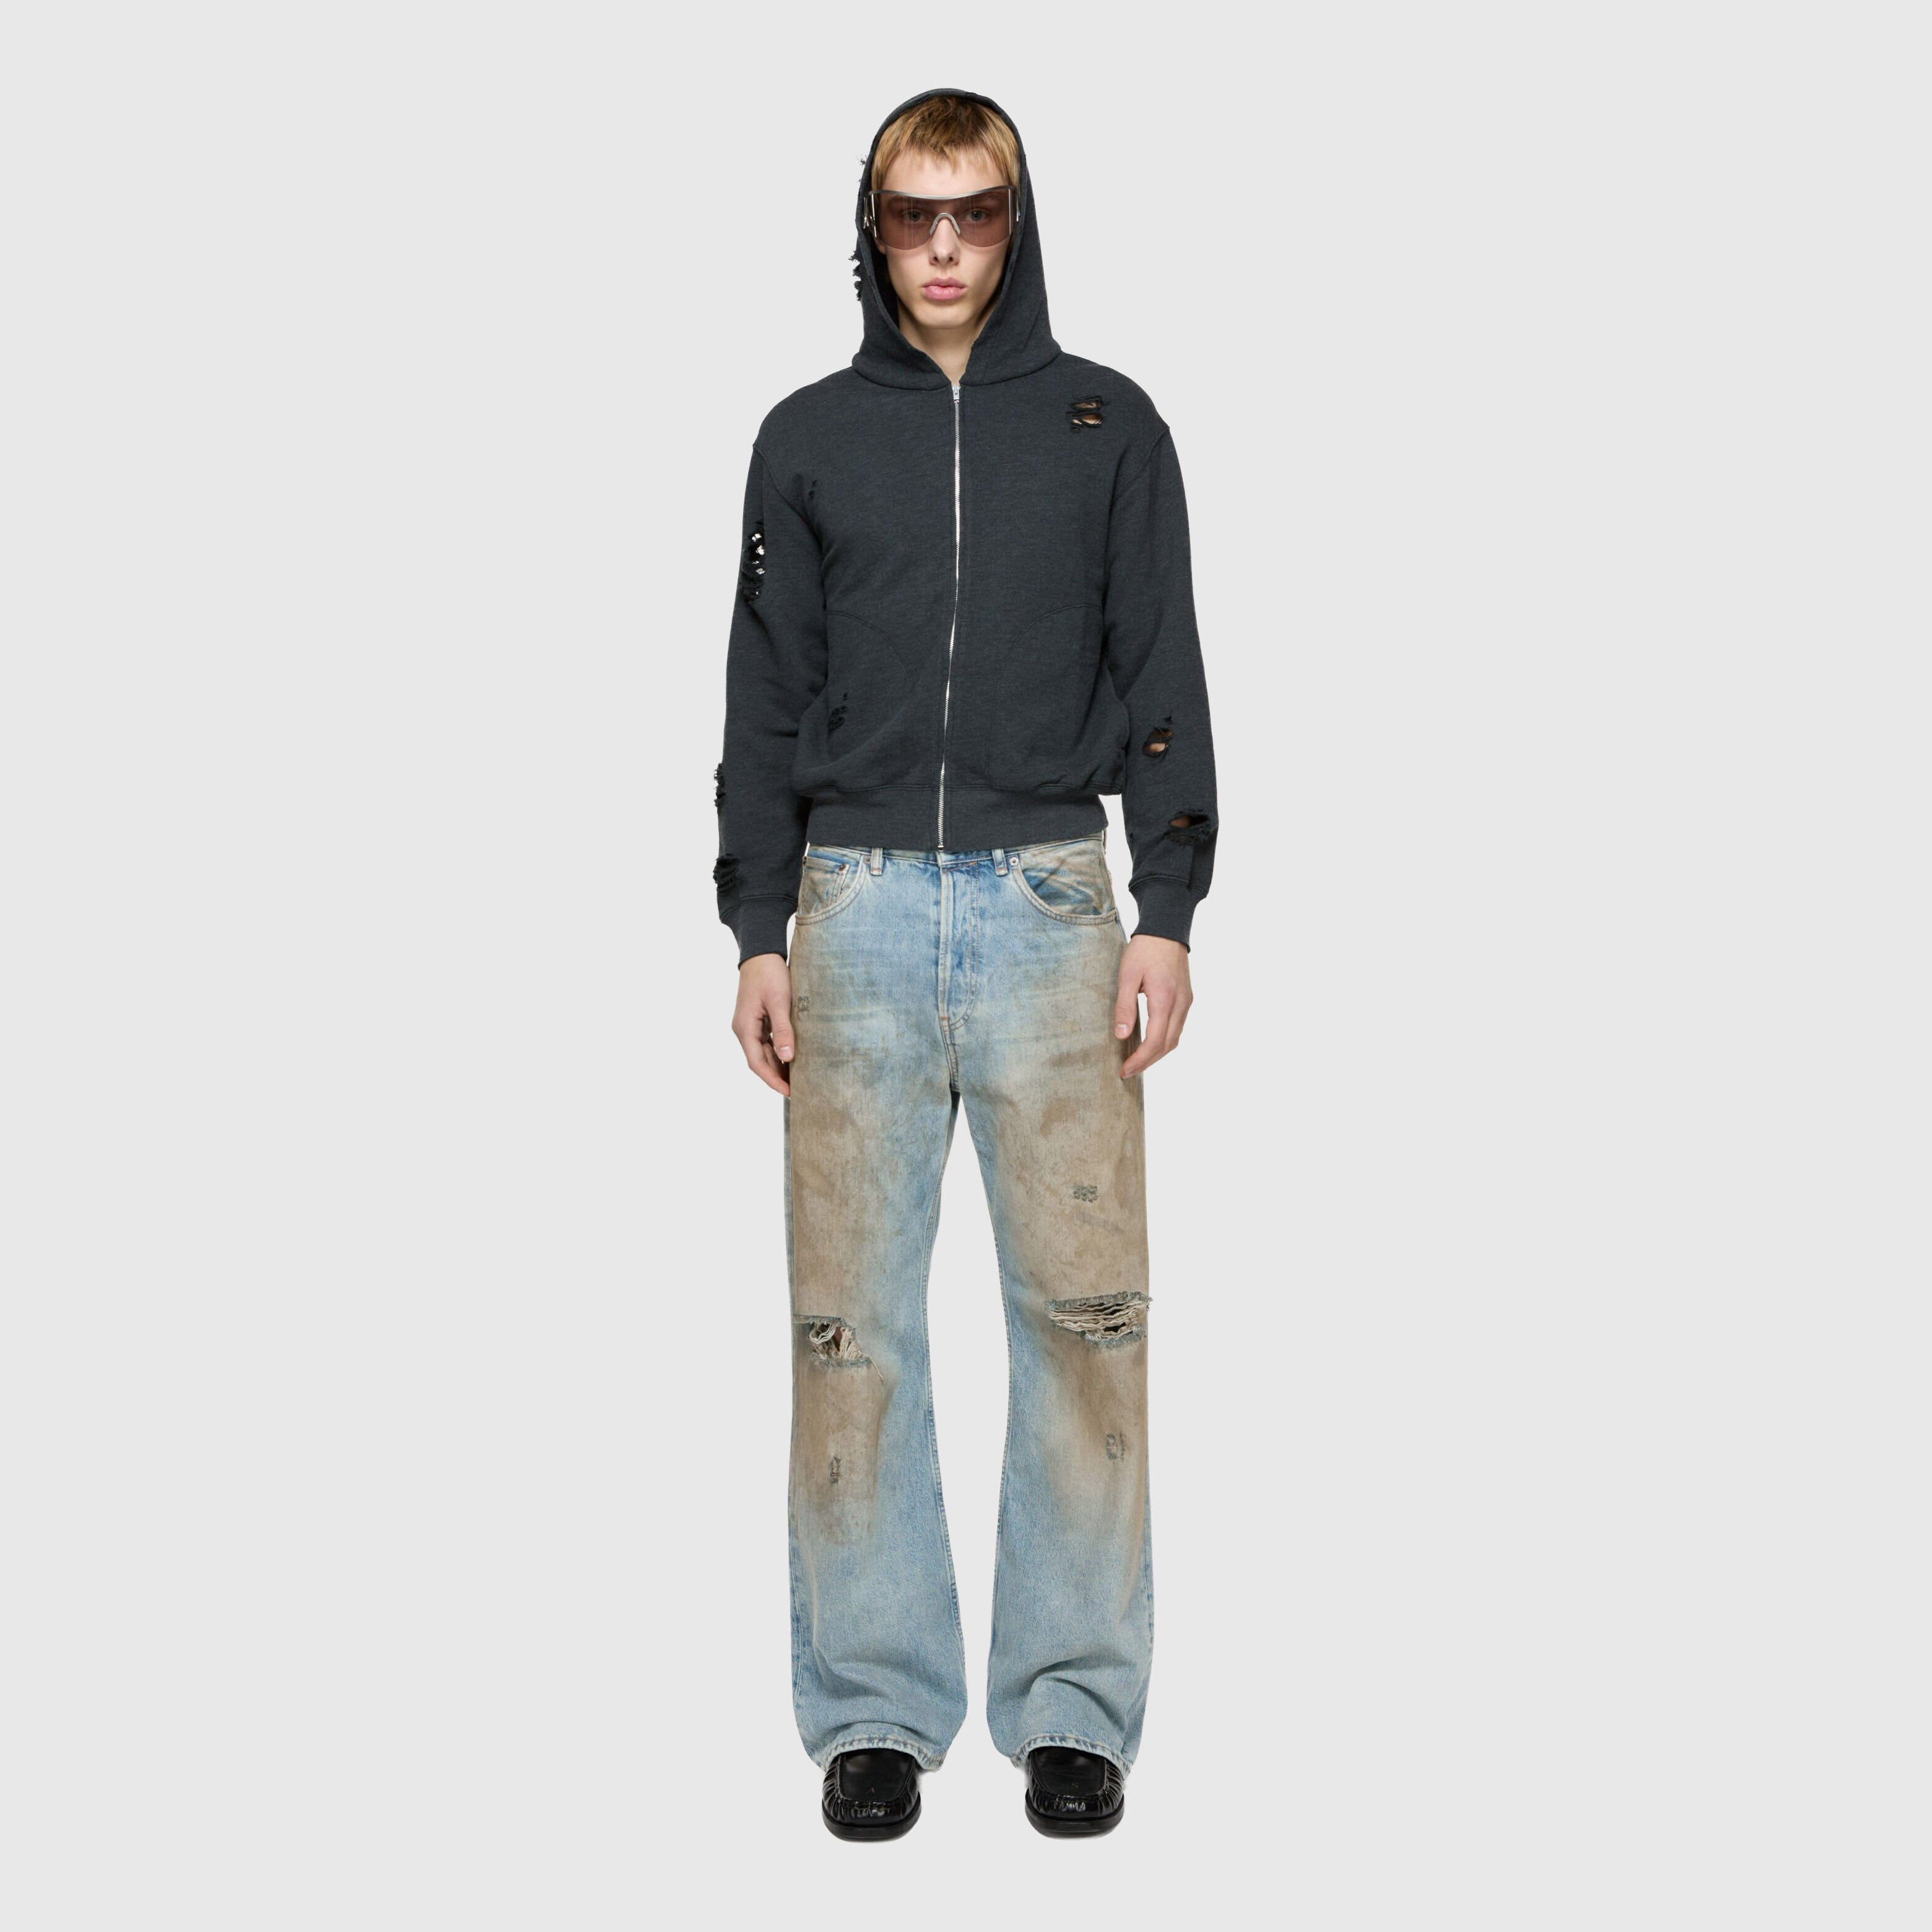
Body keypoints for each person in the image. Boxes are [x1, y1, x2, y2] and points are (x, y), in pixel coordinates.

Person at [713, 87, 1217, 1840]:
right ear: (873, 231)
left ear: (1018, 219)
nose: (944, 248)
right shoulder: (804, 439)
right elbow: (762, 692)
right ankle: (873, 1708)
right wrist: (758, 925)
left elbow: (1162, 664)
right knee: (850, 1325)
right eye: (913, 216)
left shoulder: (1107, 427)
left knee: (1085, 1317)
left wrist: (1168, 903)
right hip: (850, 909)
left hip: (1050, 908)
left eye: (976, 212)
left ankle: (1073, 1706)